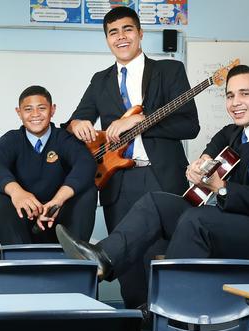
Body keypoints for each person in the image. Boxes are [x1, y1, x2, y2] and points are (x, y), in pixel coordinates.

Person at [57, 65, 249, 288]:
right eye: (230, 96)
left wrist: (220, 189)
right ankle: (103, 257)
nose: (235, 103)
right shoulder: (236, 130)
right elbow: (218, 141)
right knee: (157, 203)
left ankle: (168, 306)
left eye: (244, 94)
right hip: (242, 219)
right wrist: (203, 162)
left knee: (197, 219)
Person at [64, 6, 200, 307]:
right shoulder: (100, 80)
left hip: (161, 176)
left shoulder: (169, 71)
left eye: (127, 29)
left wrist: (141, 120)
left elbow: (190, 125)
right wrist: (78, 124)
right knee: (128, 267)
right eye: (113, 32)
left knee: (162, 260)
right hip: (118, 182)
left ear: (140, 33)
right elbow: (74, 121)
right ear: (107, 40)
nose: (121, 37)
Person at [0, 85, 97, 244]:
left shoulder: (65, 138)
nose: (35, 114)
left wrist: (57, 201)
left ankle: (75, 258)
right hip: (23, 221)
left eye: (42, 108)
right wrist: (17, 193)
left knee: (88, 190)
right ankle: (18, 258)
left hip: (59, 219)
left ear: (52, 110)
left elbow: (86, 164)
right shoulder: (11, 139)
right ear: (19, 113)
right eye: (28, 109)